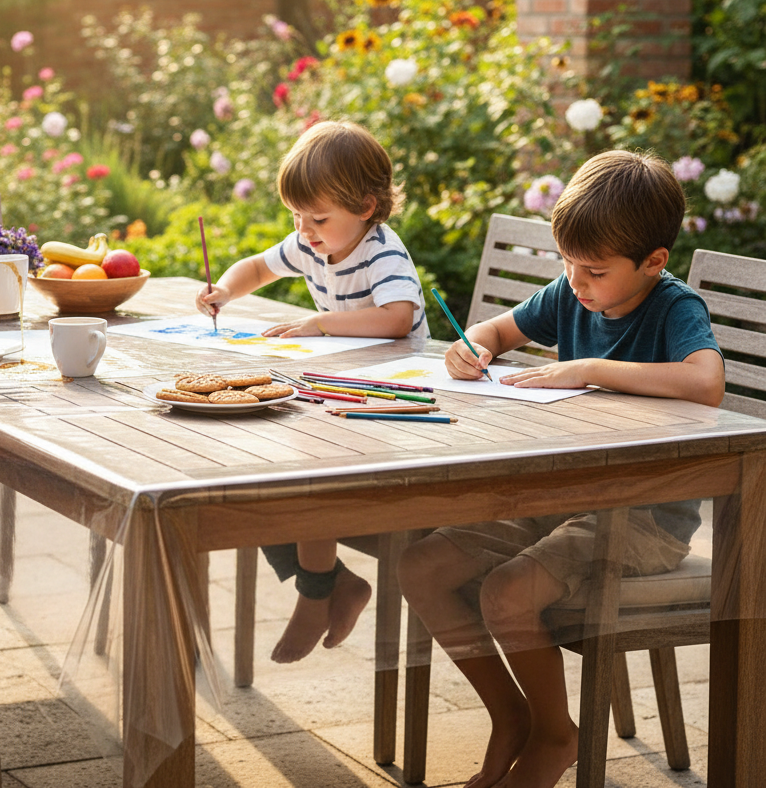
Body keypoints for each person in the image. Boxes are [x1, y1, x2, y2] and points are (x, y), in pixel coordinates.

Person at [397, 149, 725, 788]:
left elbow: (706, 381)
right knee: (424, 566)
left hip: (645, 518)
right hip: (562, 496)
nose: (576, 283)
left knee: (507, 592)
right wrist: (474, 349)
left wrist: (587, 369)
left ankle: (556, 734)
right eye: (567, 264)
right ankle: (511, 717)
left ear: (653, 262)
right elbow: (492, 331)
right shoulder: (571, 292)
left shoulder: (673, 307)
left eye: (594, 270)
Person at [196, 120, 428, 662]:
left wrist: (320, 324)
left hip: (393, 398)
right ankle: (336, 584)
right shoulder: (313, 243)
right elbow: (257, 266)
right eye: (297, 216)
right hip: (339, 390)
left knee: (304, 476)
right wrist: (225, 289)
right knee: (255, 477)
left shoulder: (381, 252)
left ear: (367, 208)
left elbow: (397, 319)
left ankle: (316, 593)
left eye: (318, 218)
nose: (305, 230)